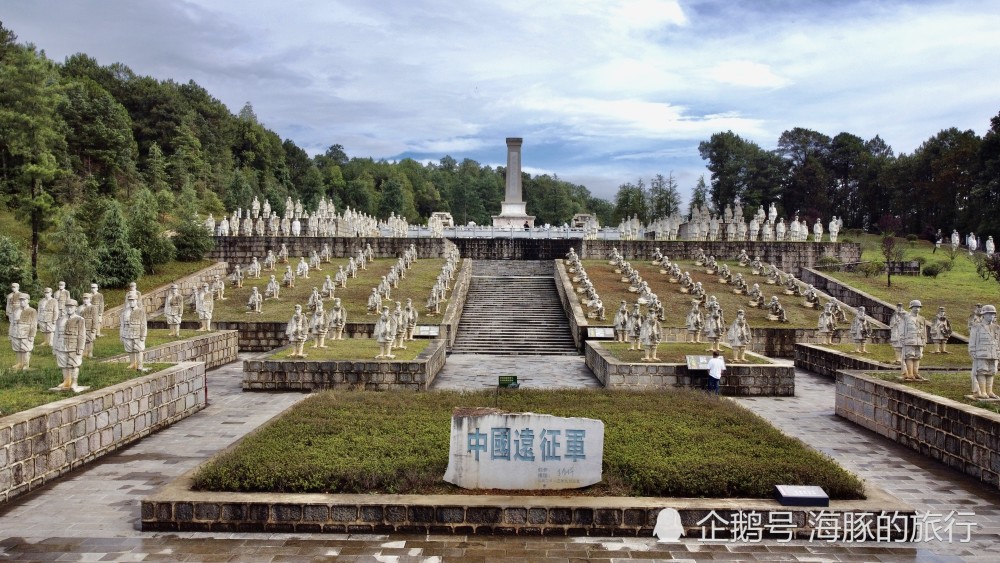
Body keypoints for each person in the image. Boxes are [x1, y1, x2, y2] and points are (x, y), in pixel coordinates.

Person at [8, 292, 37, 370]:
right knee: (17, 348)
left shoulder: (32, 311)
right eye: (20, 300)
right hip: (16, 332)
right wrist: (10, 333)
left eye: (24, 300)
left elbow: (34, 324)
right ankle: (19, 363)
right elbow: (12, 323)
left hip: (26, 333)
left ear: (28, 300)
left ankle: (25, 365)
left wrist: (32, 335)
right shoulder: (16, 310)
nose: (22, 302)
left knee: (26, 349)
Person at [120, 294, 148, 370]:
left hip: (137, 334)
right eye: (130, 300)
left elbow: (143, 325)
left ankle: (140, 365)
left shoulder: (140, 311)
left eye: (133, 300)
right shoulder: (125, 311)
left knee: (139, 349)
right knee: (129, 349)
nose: (131, 302)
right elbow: (122, 324)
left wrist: (143, 336)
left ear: (136, 301)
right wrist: (121, 335)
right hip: (127, 334)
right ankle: (132, 364)